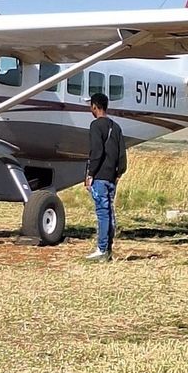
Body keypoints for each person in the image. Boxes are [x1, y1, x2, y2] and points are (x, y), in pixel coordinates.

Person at [84, 91, 127, 262]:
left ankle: (102, 249)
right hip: (111, 177)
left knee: (102, 213)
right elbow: (122, 155)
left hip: (100, 176)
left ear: (94, 106)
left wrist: (90, 174)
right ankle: (108, 248)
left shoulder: (96, 126)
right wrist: (118, 173)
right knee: (109, 212)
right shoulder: (116, 127)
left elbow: (97, 152)